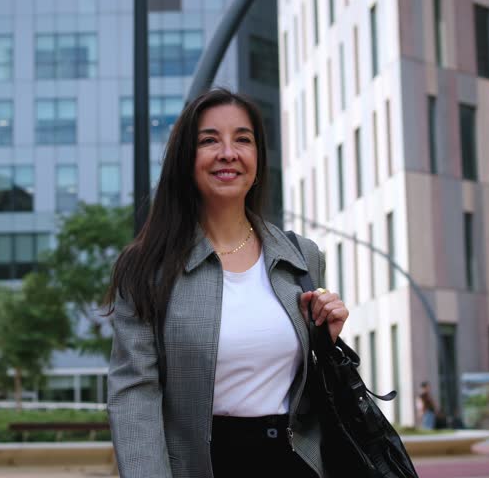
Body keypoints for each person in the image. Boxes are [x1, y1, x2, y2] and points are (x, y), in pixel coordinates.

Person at [105, 88, 349, 478]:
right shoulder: (145, 268)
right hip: (202, 466)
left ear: (258, 157)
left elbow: (310, 390)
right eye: (209, 140)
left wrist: (326, 339)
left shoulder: (301, 256)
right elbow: (134, 395)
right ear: (187, 158)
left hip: (295, 463)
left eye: (242, 139)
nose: (228, 153)